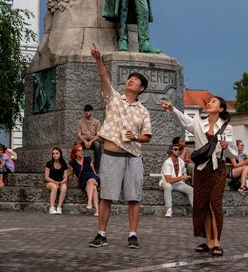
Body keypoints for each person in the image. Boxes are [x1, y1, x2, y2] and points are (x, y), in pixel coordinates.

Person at [89, 43, 152, 249]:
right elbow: (104, 77)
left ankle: (133, 234)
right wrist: (98, 59)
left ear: (141, 88)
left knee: (134, 198)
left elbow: (147, 137)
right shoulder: (114, 99)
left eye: (135, 80)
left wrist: (135, 137)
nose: (130, 80)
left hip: (133, 158)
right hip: (111, 155)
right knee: (106, 196)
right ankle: (101, 234)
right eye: (129, 78)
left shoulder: (143, 111)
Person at [161, 96, 238, 257]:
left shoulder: (227, 128)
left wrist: (226, 147)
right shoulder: (198, 123)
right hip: (202, 169)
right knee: (202, 205)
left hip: (218, 168)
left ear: (221, 109)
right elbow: (184, 121)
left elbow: (233, 153)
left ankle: (217, 241)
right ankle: (208, 240)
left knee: (214, 203)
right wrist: (171, 109)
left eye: (214, 102)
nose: (209, 103)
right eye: (209, 101)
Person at [159, 144, 193, 218]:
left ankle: (196, 210)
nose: (178, 151)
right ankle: (168, 209)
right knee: (168, 186)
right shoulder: (167, 163)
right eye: (175, 149)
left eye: (179, 149)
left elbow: (184, 171)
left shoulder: (181, 161)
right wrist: (182, 177)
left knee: (191, 190)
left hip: (178, 183)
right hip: (165, 182)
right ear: (171, 151)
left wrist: (184, 178)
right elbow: (169, 180)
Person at [69, 143, 100, 216]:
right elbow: (70, 175)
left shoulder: (88, 159)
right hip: (83, 182)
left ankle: (89, 203)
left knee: (91, 180)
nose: (81, 152)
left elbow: (93, 171)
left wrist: (95, 176)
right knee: (94, 188)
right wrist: (65, 182)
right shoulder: (72, 163)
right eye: (79, 151)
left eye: (82, 150)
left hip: (93, 178)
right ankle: (97, 211)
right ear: (75, 153)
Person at [76, 104, 103, 172]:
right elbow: (79, 134)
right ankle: (76, 165)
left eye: (88, 111)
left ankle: (97, 168)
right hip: (84, 139)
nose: (86, 112)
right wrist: (85, 141)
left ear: (91, 112)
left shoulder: (97, 122)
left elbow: (98, 135)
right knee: (76, 144)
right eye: (85, 111)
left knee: (98, 145)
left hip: (93, 140)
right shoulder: (80, 122)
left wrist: (90, 142)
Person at [45, 147, 69, 215]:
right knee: (54, 187)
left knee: (64, 188)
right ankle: (52, 208)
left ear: (60, 154)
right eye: (53, 153)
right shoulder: (49, 163)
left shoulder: (64, 164)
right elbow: (46, 177)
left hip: (60, 182)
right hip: (50, 182)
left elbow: (65, 177)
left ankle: (59, 207)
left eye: (56, 153)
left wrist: (62, 182)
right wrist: (55, 182)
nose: (55, 155)